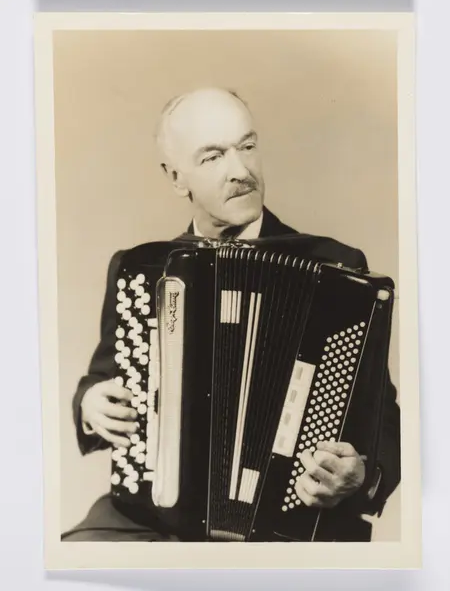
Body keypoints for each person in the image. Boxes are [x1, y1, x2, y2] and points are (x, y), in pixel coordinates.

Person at [62, 87, 400, 542]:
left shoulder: (334, 269)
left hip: (286, 524)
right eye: (213, 156)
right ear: (176, 177)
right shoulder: (142, 271)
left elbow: (382, 415)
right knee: (79, 553)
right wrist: (91, 404)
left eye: (248, 146)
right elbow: (102, 377)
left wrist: (362, 475)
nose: (241, 171)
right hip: (155, 517)